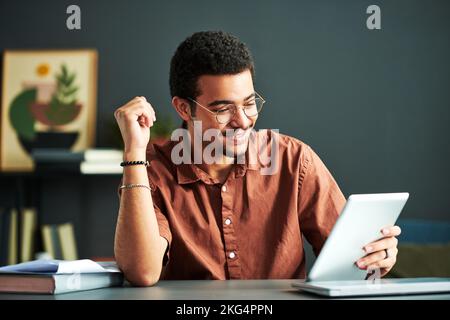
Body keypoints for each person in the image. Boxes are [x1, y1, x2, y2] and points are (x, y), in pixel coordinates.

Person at [113, 31, 401, 286]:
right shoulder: (152, 168)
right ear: (184, 109)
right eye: (223, 109)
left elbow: (351, 262)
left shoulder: (294, 160)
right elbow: (142, 273)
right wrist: (133, 154)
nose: (243, 121)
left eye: (250, 104)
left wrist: (375, 257)